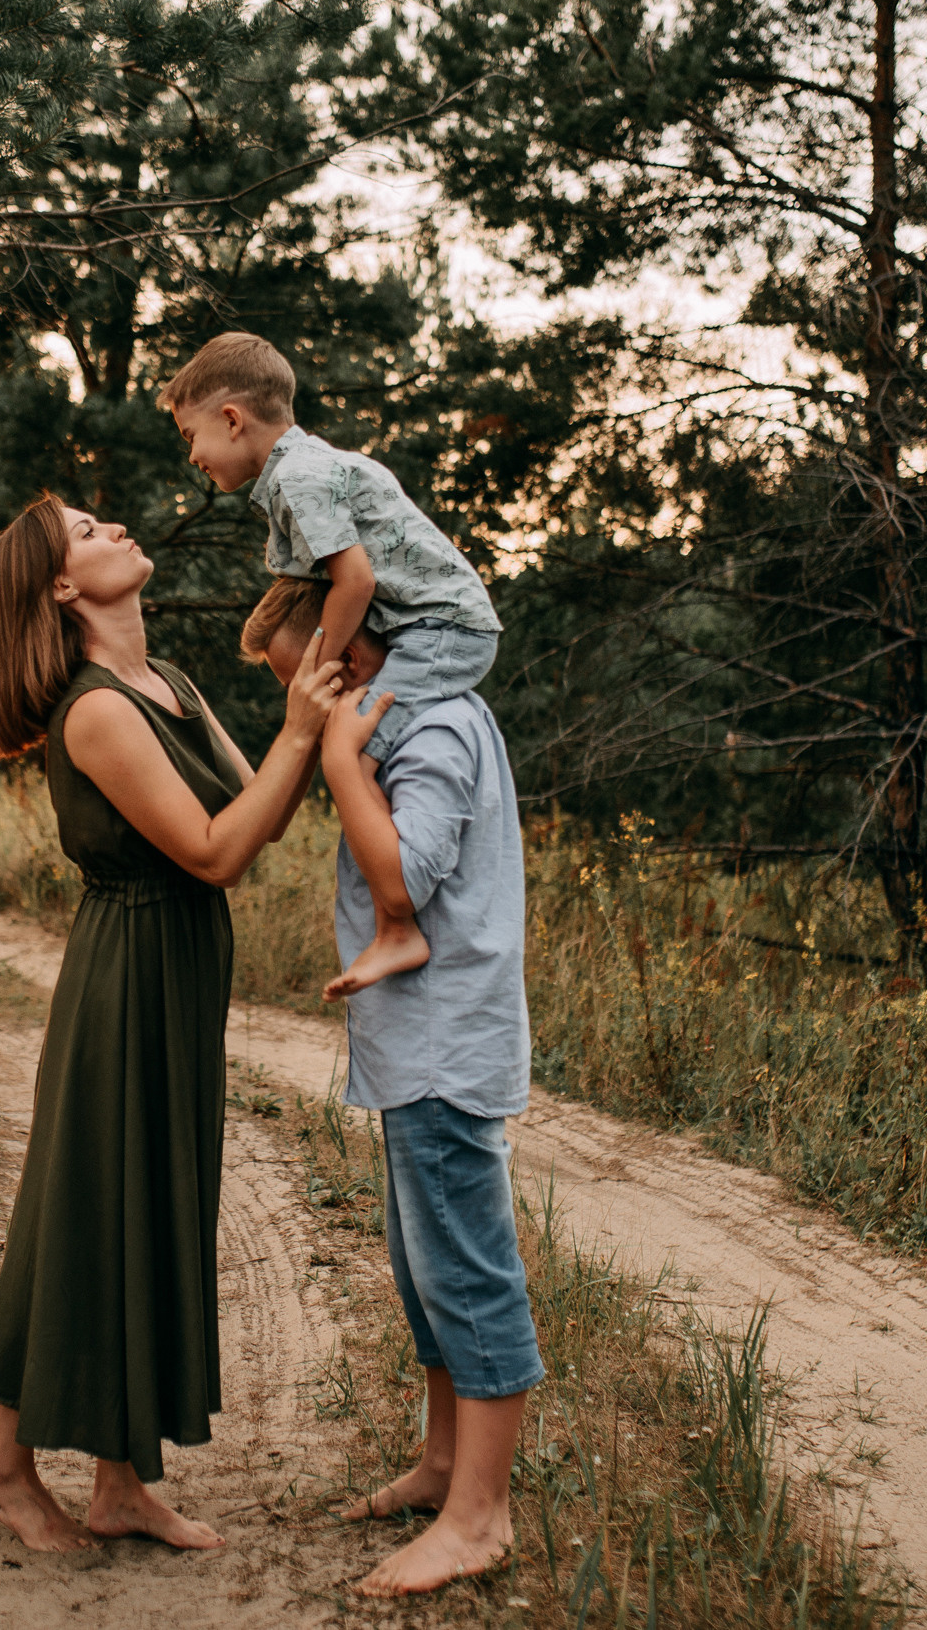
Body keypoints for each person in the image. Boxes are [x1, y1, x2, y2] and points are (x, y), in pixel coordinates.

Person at [0, 494, 348, 1554]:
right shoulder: (92, 709)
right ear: (61, 587)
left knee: (152, 1208)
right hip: (124, 970)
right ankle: (5, 1467)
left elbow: (255, 807)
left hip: (181, 967)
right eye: (87, 533)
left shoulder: (165, 683)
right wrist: (300, 730)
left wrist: (307, 716)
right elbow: (218, 847)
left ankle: (120, 1485)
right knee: (83, 1207)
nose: (115, 529)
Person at [249, 579, 543, 1599]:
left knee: (467, 1269)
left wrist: (335, 759)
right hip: (412, 1045)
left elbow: (405, 881)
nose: (307, 708)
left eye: (308, 684)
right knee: (422, 1267)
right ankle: (440, 1463)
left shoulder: (436, 729)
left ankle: (480, 1515)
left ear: (352, 662)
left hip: (443, 1047)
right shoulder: (410, 724)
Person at [162, 331, 502, 999]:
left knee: (355, 745)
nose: (192, 454)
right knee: (352, 737)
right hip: (427, 627)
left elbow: (356, 585)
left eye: (188, 434)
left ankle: (399, 927)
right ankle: (394, 922)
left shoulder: (297, 477)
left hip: (443, 630)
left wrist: (315, 676)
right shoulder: (302, 472)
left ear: (232, 419)